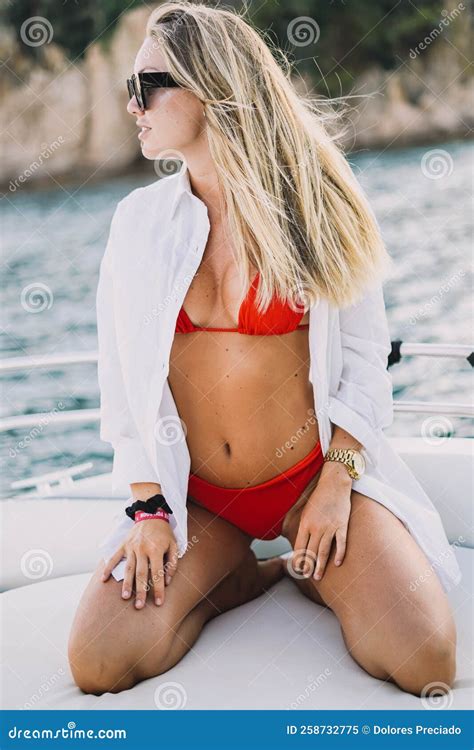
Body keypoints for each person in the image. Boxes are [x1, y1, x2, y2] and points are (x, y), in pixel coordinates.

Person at [68, 2, 460, 699]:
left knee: (423, 659)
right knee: (100, 662)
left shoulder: (317, 200)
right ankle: (243, 576)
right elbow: (120, 383)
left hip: (311, 482)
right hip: (200, 503)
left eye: (147, 85)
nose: (132, 105)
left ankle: (308, 568)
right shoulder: (138, 226)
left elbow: (367, 360)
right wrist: (150, 509)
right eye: (127, 89)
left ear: (211, 82)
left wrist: (337, 485)